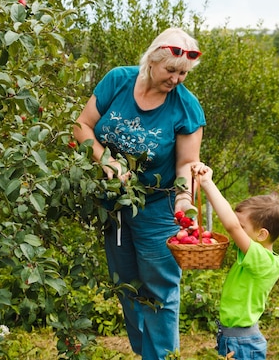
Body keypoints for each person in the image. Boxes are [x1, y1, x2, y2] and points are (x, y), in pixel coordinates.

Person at [73, 27, 206, 359]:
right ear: (151, 61)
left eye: (183, 74)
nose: (177, 79)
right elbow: (82, 126)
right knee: (126, 286)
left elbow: (188, 163)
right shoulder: (118, 81)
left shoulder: (186, 107)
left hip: (157, 210)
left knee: (160, 290)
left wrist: (184, 201)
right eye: (171, 71)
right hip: (114, 206)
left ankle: (161, 356)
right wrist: (105, 160)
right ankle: (146, 353)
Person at [191, 162, 279, 360]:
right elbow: (231, 224)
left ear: (262, 234)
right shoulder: (254, 255)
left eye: (242, 227)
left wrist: (208, 183)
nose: (238, 231)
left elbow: (231, 226)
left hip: (242, 343)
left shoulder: (264, 262)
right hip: (232, 338)